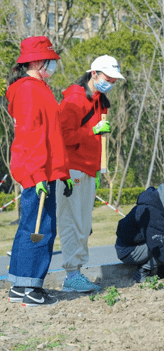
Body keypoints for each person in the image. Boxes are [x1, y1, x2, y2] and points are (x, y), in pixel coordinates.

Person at [6, 36, 73, 306]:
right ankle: (33, 291)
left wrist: (62, 172)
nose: (53, 65)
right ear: (36, 60)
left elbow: (51, 134)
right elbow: (31, 135)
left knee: (29, 227)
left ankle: (20, 287)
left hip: (44, 169)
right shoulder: (29, 90)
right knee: (40, 229)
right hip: (37, 170)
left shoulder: (37, 87)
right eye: (50, 60)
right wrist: (38, 174)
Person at [56, 55, 125, 293]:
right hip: (71, 168)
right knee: (72, 222)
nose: (112, 83)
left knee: (84, 225)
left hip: (89, 168)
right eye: (109, 78)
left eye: (115, 80)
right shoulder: (73, 99)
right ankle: (71, 275)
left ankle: (76, 272)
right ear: (94, 74)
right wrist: (93, 131)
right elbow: (63, 137)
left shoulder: (99, 101)